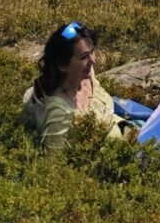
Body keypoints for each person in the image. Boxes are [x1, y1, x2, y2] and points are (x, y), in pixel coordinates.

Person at [21, 21, 123, 152]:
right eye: (84, 57)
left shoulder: (85, 74)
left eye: (93, 52)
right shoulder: (59, 114)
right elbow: (54, 166)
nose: (93, 61)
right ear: (62, 65)